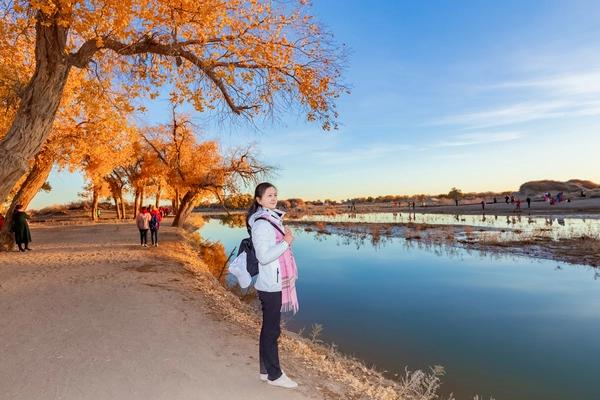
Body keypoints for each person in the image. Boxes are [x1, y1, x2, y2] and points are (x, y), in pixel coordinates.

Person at [247, 182, 299, 389]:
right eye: (269, 195)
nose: (273, 198)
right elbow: (264, 256)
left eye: (275, 194)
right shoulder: (261, 224)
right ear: (259, 200)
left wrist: (284, 240)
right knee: (272, 330)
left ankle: (265, 370)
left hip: (272, 282)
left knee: (269, 329)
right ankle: (275, 375)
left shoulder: (271, 219)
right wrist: (286, 241)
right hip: (270, 284)